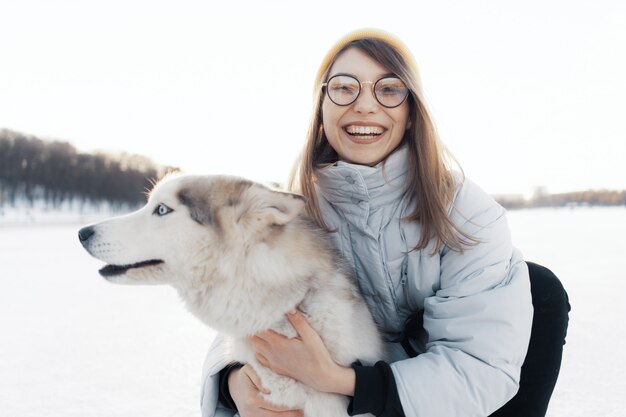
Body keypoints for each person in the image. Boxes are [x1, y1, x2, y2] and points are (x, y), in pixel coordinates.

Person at [200, 28, 570, 417]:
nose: (364, 105)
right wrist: (232, 383)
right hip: (335, 402)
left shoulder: (465, 211)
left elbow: (482, 367)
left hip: (434, 400)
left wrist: (340, 381)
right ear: (322, 108)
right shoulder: (290, 214)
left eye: (389, 89)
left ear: (411, 113)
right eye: (344, 88)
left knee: (539, 288)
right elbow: (240, 316)